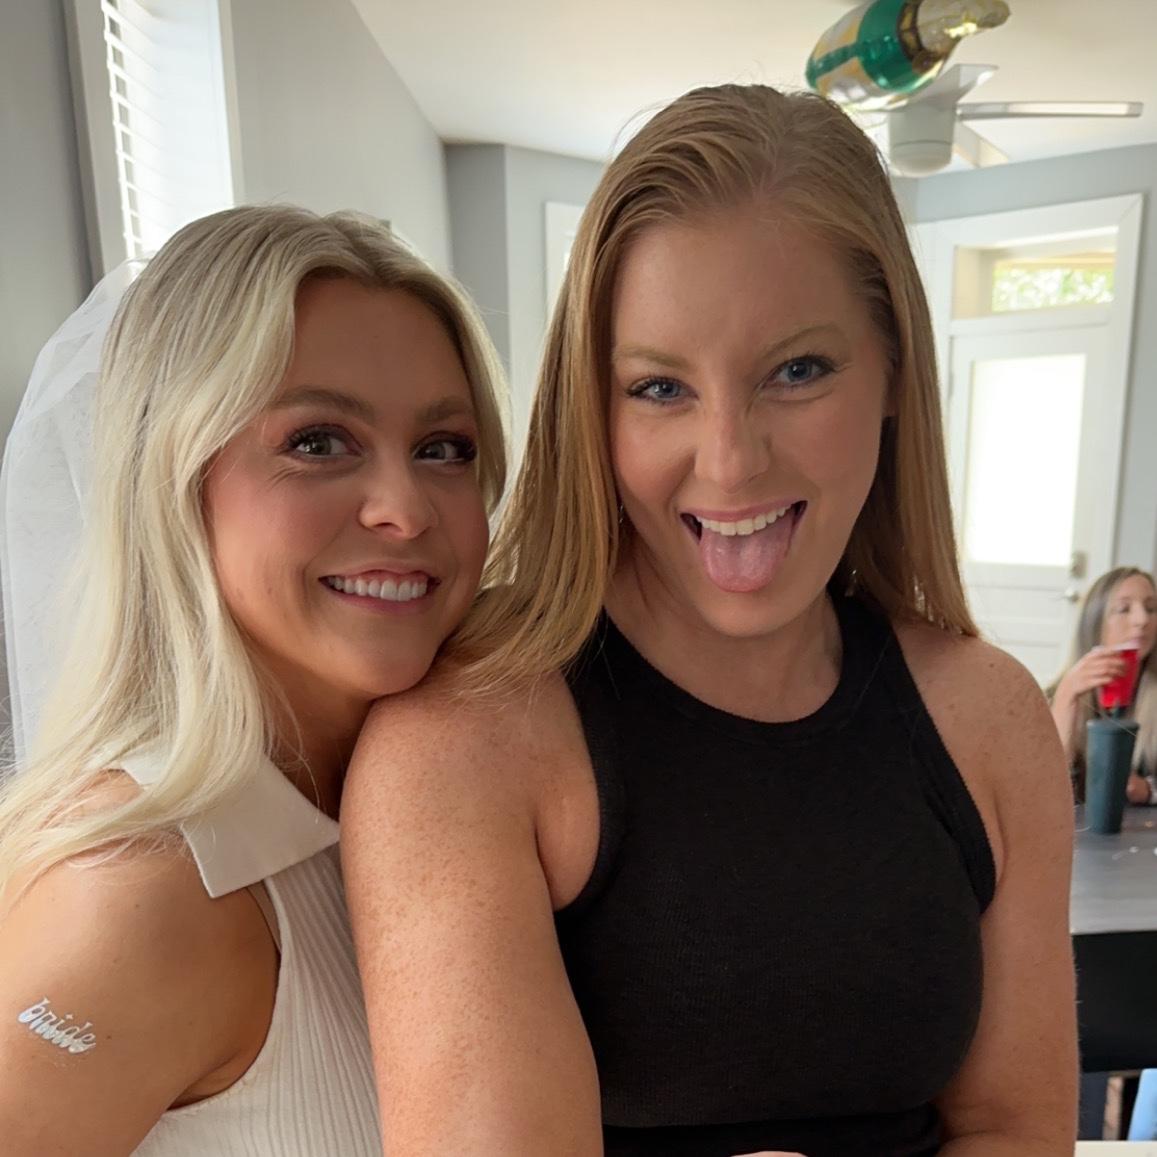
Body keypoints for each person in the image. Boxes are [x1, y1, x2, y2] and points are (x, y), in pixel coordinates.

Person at [341, 84, 1077, 1156]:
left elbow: (1017, 1125)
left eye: (796, 371)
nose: (730, 461)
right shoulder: (463, 738)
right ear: (591, 407)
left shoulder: (988, 714)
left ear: (893, 373)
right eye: (658, 388)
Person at [0, 205, 506, 1154]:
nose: (405, 508)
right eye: (317, 441)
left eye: (444, 448)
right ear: (174, 477)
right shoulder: (139, 897)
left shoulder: (458, 802)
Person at [1048, 567, 1157, 805]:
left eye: (1151, 608)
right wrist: (1067, 697)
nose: (1142, 620)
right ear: (1094, 622)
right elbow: (1039, 786)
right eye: (1124, 609)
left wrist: (1149, 790)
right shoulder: (1049, 697)